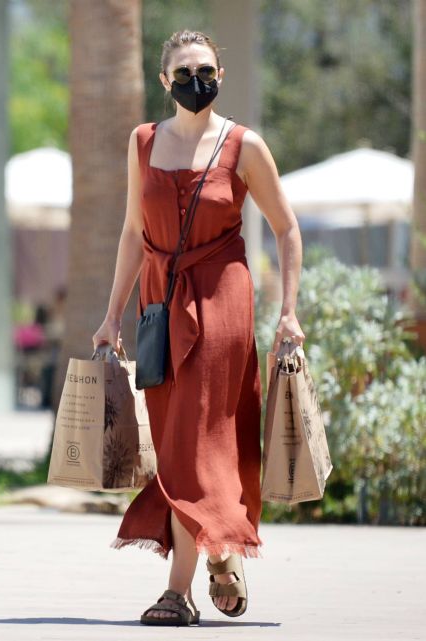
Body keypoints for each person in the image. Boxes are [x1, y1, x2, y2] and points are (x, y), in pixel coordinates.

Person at [92, 29, 305, 626]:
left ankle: (177, 591)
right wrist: (112, 316)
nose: (195, 81)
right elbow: (134, 234)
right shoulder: (142, 143)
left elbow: (287, 229)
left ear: (220, 74)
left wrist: (289, 310)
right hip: (161, 307)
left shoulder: (244, 145)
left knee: (195, 439)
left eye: (205, 70)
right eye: (183, 72)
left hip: (222, 300)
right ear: (164, 81)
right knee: (179, 439)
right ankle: (223, 549)